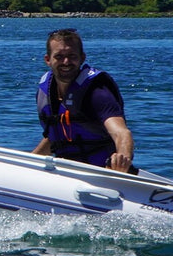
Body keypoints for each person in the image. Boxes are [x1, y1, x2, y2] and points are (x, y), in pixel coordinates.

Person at [32, 28, 135, 172]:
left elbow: (121, 133)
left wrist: (122, 158)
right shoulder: (46, 91)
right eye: (59, 56)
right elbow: (55, 138)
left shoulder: (98, 92)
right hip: (68, 172)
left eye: (72, 56)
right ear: (48, 60)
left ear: (82, 58)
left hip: (103, 173)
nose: (66, 62)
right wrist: (28, 162)